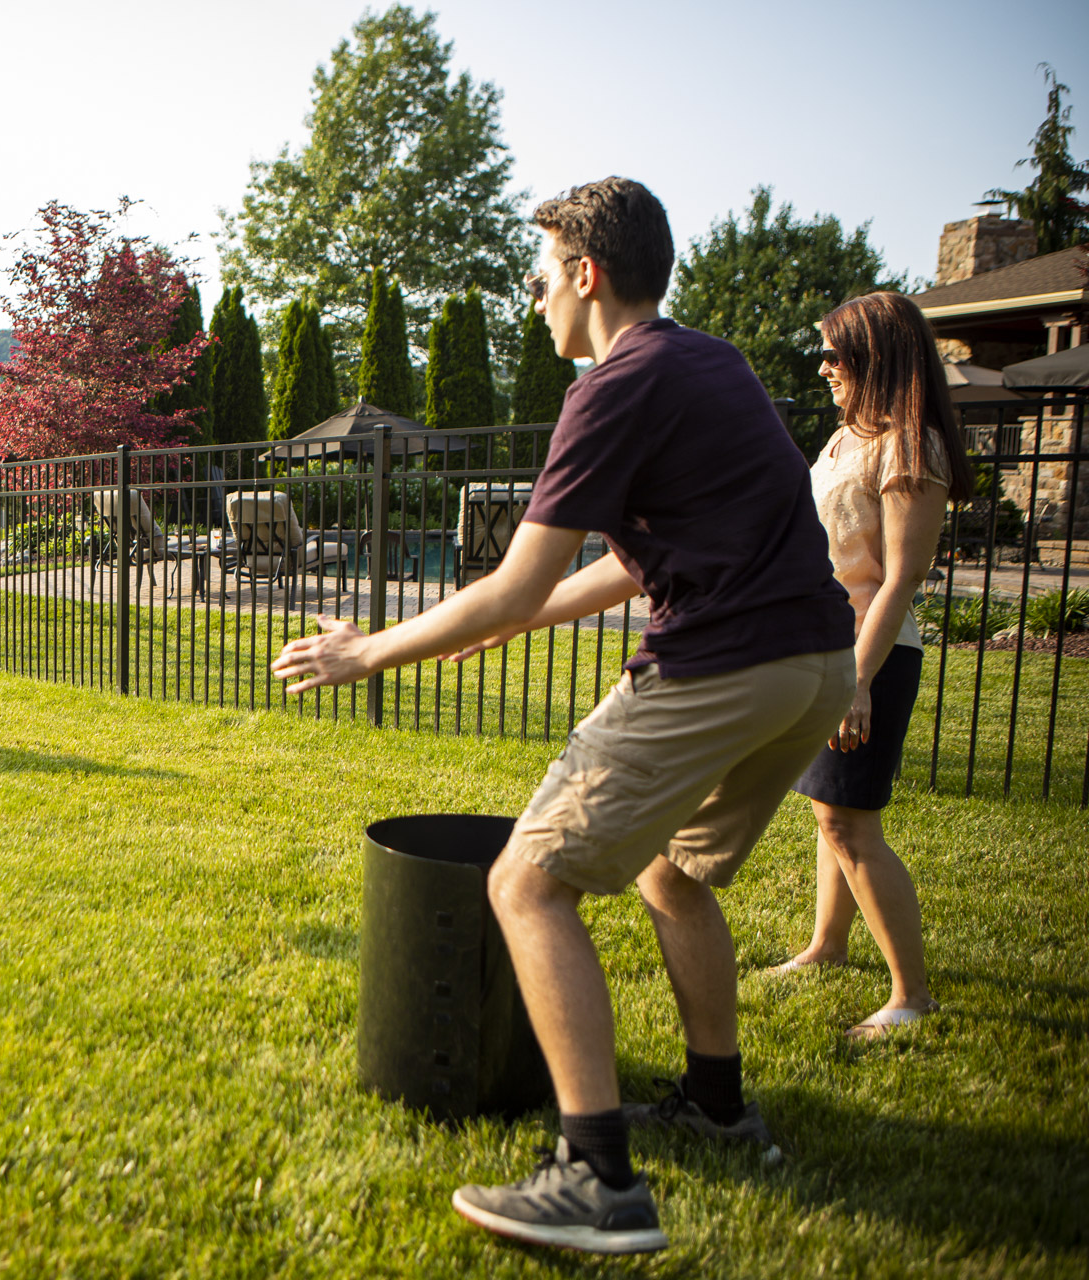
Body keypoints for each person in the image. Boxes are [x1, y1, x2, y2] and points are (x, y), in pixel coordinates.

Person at [271, 177, 856, 1255]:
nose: (534, 300)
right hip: (815, 666)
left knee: (525, 880)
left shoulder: (613, 385)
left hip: (724, 662)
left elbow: (510, 580)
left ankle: (596, 1178)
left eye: (540, 279)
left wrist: (368, 650)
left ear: (586, 275)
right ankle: (721, 1106)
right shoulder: (709, 361)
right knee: (667, 871)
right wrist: (517, 617)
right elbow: (632, 559)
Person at [775, 292, 972, 1038]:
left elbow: (900, 577)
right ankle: (827, 947)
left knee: (854, 825)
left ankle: (910, 996)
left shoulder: (910, 448)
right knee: (832, 816)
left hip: (874, 656)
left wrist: (857, 679)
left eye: (836, 354)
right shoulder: (845, 440)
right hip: (831, 649)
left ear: (878, 359)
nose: (823, 366)